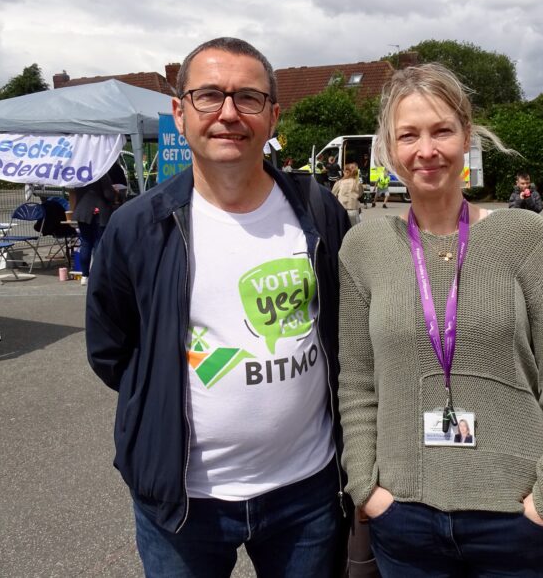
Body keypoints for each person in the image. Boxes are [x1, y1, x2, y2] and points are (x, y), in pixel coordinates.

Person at [86, 37, 351, 578]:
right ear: (180, 113)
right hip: (183, 502)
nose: (228, 113)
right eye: (209, 96)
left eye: (248, 99)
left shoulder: (316, 210)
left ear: (273, 116)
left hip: (307, 493)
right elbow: (113, 349)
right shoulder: (139, 225)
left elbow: (344, 330)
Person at [337, 63, 543, 577]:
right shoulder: (364, 247)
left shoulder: (523, 237)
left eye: (441, 131)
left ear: (467, 137)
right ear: (388, 149)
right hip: (404, 517)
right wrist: (365, 486)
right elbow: (357, 382)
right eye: (408, 135)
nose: (426, 150)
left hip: (516, 518)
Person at [72, 171, 117, 285]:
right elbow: (109, 195)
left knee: (86, 243)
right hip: (98, 212)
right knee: (98, 243)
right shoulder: (101, 171)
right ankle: (97, 275)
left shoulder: (79, 172)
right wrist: (116, 192)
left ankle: (84, 275)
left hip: (82, 212)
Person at [333, 162, 364, 226]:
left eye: (344, 171)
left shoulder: (339, 182)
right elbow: (360, 194)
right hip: (353, 209)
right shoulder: (357, 183)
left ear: (347, 172)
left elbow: (332, 195)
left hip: (341, 209)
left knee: (343, 230)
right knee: (354, 230)